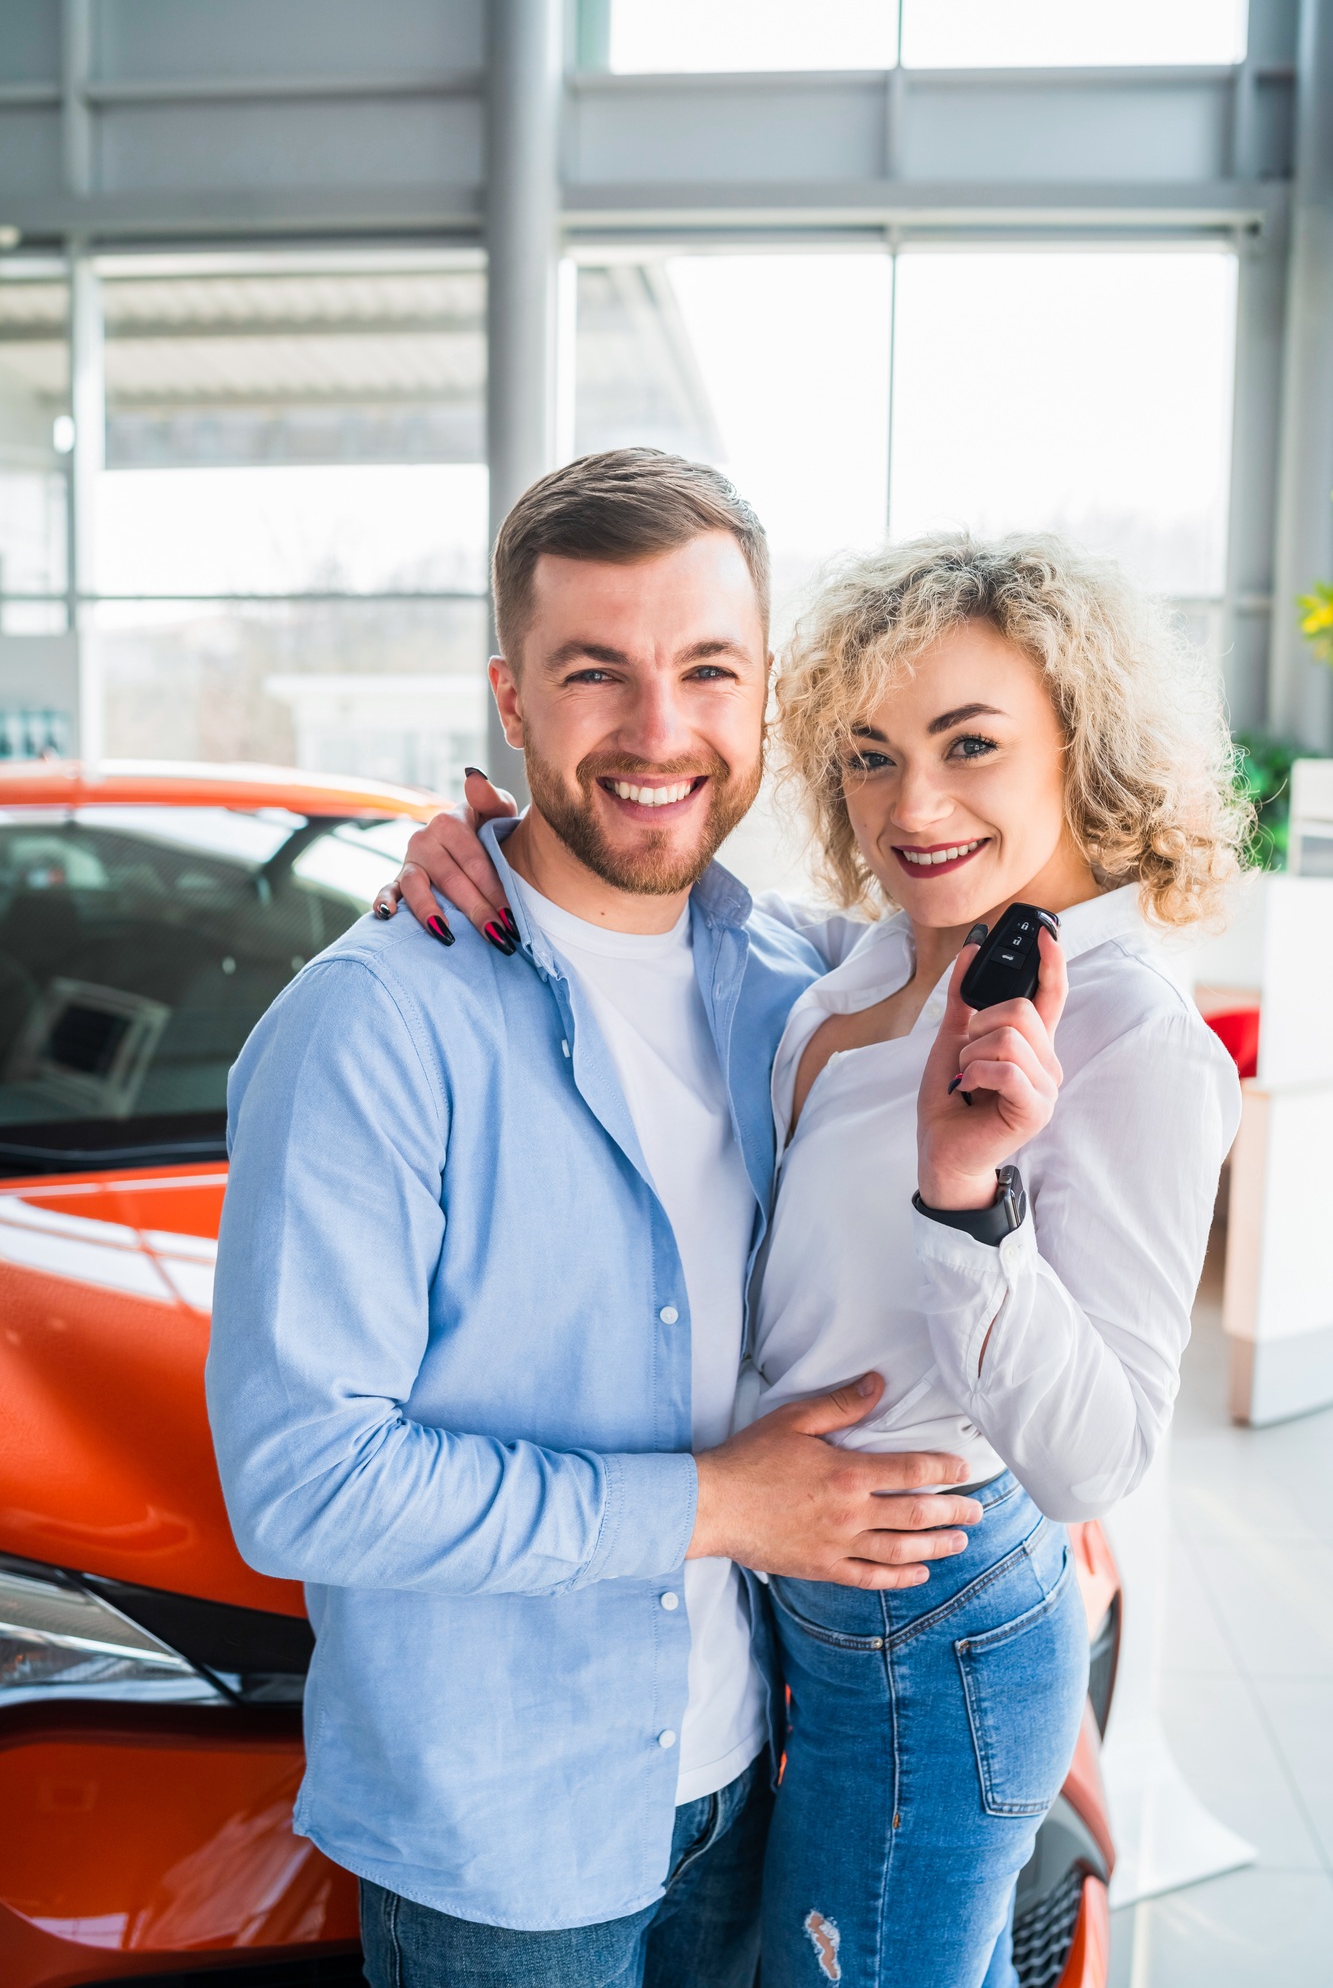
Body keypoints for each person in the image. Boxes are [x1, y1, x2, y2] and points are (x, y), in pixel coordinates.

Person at [207, 453, 1042, 1988]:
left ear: (765, 693)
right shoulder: (372, 1028)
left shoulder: (805, 988)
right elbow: (303, 1481)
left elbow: (1023, 900)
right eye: (595, 673)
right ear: (511, 702)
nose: (659, 733)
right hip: (505, 1855)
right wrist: (714, 1507)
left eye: (707, 670)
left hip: (753, 1775)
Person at [383, 530, 1245, 1987]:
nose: (913, 807)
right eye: (867, 757)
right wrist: (493, 856)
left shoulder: (1127, 1034)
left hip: (937, 1630)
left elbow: (1096, 1460)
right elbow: (643, 911)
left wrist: (967, 1201)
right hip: (796, 1596)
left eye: (970, 745)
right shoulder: (881, 949)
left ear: (1078, 738)